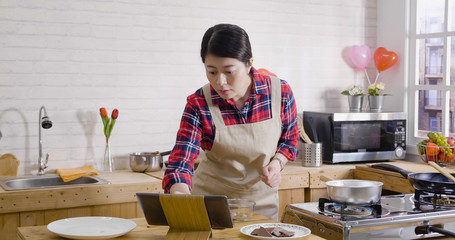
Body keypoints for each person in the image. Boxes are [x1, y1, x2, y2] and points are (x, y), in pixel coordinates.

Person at [162, 23, 299, 220]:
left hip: (261, 206)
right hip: (210, 204)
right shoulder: (199, 103)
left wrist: (277, 164)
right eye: (212, 72)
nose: (220, 82)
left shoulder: (279, 93)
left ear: (249, 63)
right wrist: (180, 193)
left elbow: (290, 139)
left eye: (228, 71)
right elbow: (182, 160)